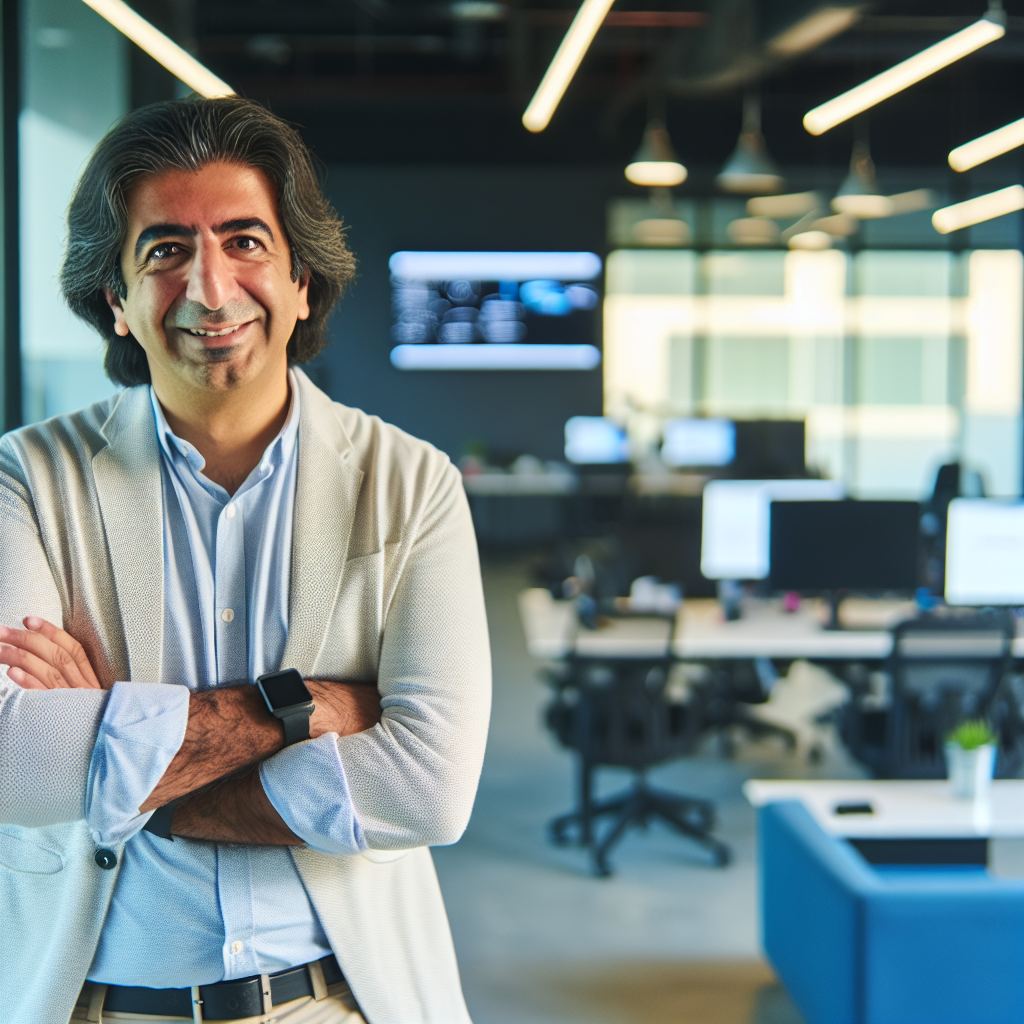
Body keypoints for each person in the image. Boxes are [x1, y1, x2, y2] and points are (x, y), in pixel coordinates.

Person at [0, 97, 491, 1024]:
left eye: (245, 242)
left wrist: (127, 774)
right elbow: (6, 762)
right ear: (116, 303)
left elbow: (431, 788)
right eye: (165, 252)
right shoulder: (25, 478)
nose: (211, 289)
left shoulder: (410, 483)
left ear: (302, 279)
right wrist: (301, 708)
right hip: (95, 1005)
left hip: (335, 1003)